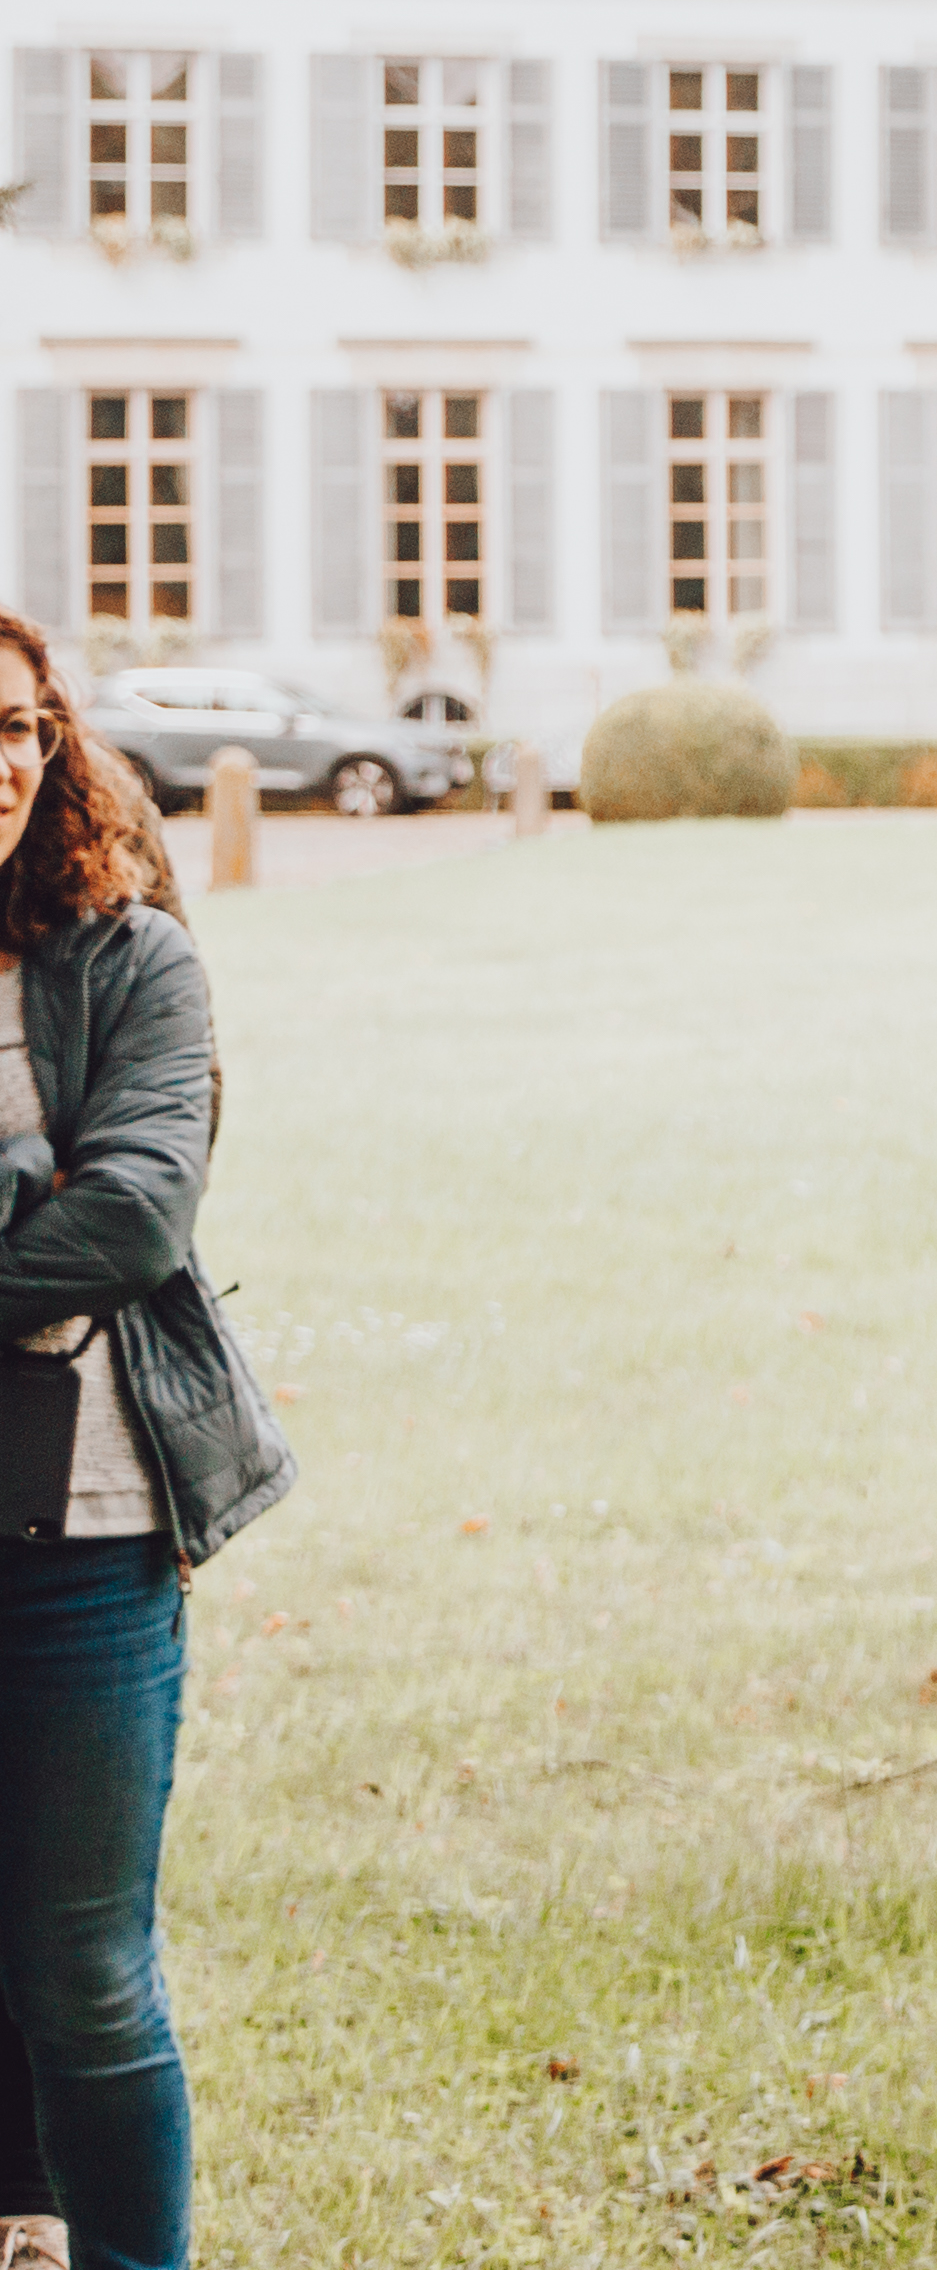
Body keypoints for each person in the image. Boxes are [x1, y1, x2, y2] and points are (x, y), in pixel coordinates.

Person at [0, 604, 298, 2270]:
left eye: (26, 726)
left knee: (84, 1969)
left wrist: (39, 1203)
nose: (4, 761)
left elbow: (126, 1221)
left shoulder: (133, 957)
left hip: (85, 1539)